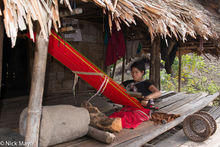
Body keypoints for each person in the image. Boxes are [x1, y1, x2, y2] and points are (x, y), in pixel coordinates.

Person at [109, 58, 161, 129]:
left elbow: (158, 93)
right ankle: (111, 124)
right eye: (132, 72)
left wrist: (147, 98)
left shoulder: (146, 84)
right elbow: (116, 89)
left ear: (142, 72)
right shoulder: (127, 83)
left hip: (141, 108)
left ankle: (114, 125)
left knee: (130, 117)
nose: (134, 74)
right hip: (128, 107)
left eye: (136, 72)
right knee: (116, 115)